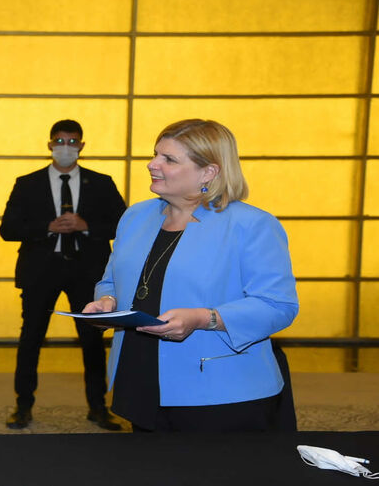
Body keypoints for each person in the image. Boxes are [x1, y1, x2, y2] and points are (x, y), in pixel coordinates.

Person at [82, 119, 299, 432]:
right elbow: (112, 279)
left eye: (169, 159)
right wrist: (107, 301)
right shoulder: (135, 216)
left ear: (208, 172)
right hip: (139, 375)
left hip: (219, 390)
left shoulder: (251, 225)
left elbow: (278, 306)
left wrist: (203, 318)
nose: (152, 164)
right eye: (155, 154)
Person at [0, 119, 126, 430]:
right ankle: (23, 406)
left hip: (87, 271)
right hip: (41, 270)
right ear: (49, 145)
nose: (65, 147)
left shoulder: (101, 182)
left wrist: (87, 227)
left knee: (92, 341)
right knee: (31, 338)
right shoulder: (27, 183)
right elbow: (8, 229)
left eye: (72, 142)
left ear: (82, 146)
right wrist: (46, 228)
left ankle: (98, 407)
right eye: (60, 141)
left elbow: (124, 226)